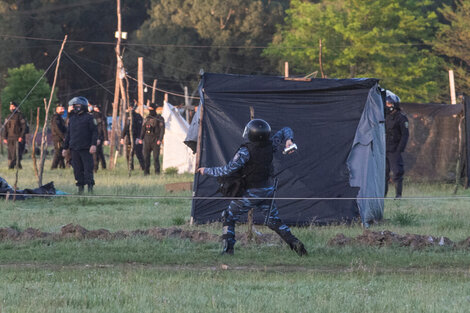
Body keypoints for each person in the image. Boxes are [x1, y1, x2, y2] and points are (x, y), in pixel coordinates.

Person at [197, 119, 307, 256]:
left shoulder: (245, 151)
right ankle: (298, 247)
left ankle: (228, 250)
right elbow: (286, 129)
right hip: (267, 189)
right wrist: (289, 140)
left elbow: (227, 170)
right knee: (273, 221)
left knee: (228, 215)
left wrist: (206, 170)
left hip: (252, 192)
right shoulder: (271, 144)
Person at [63, 96, 98, 194]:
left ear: (83, 106)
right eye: (74, 106)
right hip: (74, 148)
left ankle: (90, 189)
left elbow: (95, 132)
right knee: (77, 170)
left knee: (88, 169)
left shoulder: (89, 118)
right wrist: (65, 148)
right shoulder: (72, 119)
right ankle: (80, 190)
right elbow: (68, 134)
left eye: (77, 105)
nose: (75, 107)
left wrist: (93, 145)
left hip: (86, 148)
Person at [385, 90, 409, 199]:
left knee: (397, 173)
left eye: (389, 103)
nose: (387, 106)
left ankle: (398, 195)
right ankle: (382, 195)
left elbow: (405, 135)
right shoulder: (385, 116)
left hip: (394, 149)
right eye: (386, 104)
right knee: (384, 173)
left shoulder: (401, 117)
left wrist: (399, 150)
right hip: (384, 149)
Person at [139, 103, 165, 175]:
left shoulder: (159, 118)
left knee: (156, 158)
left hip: (156, 140)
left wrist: (160, 139)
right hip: (147, 139)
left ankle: (157, 172)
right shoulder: (146, 118)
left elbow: (162, 130)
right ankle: (146, 172)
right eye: (149, 109)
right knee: (146, 157)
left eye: (151, 109)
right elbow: (143, 129)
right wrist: (141, 138)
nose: (150, 111)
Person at [2, 101, 27, 169]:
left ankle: (11, 167)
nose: (12, 108)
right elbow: (6, 128)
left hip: (17, 137)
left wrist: (21, 137)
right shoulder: (8, 117)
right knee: (11, 153)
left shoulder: (20, 116)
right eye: (11, 106)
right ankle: (18, 166)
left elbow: (24, 127)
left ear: (16, 107)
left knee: (16, 153)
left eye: (13, 106)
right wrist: (4, 137)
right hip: (10, 138)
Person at [120, 103, 144, 170]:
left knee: (139, 154)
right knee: (129, 155)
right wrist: (122, 137)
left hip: (136, 138)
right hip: (129, 138)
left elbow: (140, 129)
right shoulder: (127, 116)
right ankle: (130, 168)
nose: (130, 109)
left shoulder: (138, 116)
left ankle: (143, 168)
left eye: (131, 107)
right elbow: (125, 127)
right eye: (129, 107)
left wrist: (139, 138)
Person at [92, 104, 109, 172]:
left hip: (97, 137)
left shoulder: (97, 116)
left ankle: (95, 169)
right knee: (99, 153)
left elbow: (101, 128)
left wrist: (99, 138)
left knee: (96, 154)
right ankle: (103, 167)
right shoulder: (101, 116)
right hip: (98, 137)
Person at [51, 104, 67, 169]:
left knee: (61, 153)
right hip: (58, 138)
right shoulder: (56, 118)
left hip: (60, 138)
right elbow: (57, 129)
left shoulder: (60, 118)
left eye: (63, 109)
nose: (63, 110)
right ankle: (53, 167)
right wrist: (63, 137)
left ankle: (62, 167)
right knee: (58, 153)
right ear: (57, 109)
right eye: (61, 109)